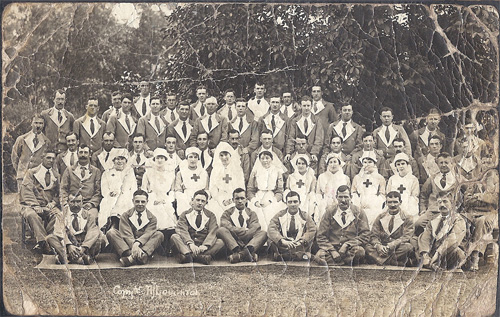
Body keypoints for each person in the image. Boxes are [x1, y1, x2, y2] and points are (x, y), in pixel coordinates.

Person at [19, 148, 63, 254]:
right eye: (48, 158)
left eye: (53, 158)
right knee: (31, 215)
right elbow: (27, 191)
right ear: (42, 158)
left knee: (59, 215)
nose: (51, 161)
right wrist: (35, 205)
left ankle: (48, 239)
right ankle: (43, 243)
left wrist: (53, 203)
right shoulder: (31, 173)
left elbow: (60, 193)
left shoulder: (56, 175)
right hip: (31, 205)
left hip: (48, 206)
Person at [315, 185, 370, 266]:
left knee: (360, 252)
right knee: (320, 256)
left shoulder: (359, 212)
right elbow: (321, 236)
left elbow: (365, 235)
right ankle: (346, 262)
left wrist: (347, 244)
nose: (343, 200)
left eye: (346, 197)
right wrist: (332, 250)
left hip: (350, 249)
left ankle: (337, 262)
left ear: (351, 197)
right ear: (336, 197)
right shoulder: (330, 212)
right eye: (340, 197)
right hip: (332, 248)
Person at [106, 190, 164, 266]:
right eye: (137, 201)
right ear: (133, 201)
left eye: (143, 202)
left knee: (159, 234)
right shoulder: (125, 215)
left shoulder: (152, 218)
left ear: (147, 202)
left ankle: (131, 258)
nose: (140, 204)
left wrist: (137, 243)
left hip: (144, 245)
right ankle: (140, 256)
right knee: (111, 233)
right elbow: (126, 234)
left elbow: (148, 234)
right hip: (128, 246)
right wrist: (134, 246)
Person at [46, 194, 106, 265]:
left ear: (82, 202)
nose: (75, 205)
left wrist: (83, 248)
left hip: (83, 243)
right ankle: (81, 259)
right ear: (68, 202)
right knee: (50, 238)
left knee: (100, 238)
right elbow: (59, 231)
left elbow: (92, 231)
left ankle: (67, 258)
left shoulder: (88, 215)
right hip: (68, 242)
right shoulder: (62, 214)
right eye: (72, 202)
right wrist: (69, 245)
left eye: (78, 202)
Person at [171, 190, 225, 264]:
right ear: (192, 201)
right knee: (175, 237)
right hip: (189, 246)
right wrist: (191, 244)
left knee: (220, 242)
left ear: (206, 203)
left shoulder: (210, 215)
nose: (200, 203)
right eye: (197, 200)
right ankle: (200, 257)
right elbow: (182, 230)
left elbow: (213, 231)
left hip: (203, 246)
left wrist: (205, 245)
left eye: (203, 201)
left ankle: (188, 257)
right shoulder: (184, 214)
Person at [461, 168, 499, 271]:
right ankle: (461, 256)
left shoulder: (496, 186)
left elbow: (495, 200)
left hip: (489, 215)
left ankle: (475, 257)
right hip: (472, 214)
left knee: (481, 222)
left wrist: (478, 196)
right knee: (462, 220)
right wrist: (485, 199)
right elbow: (467, 201)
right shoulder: (474, 185)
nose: (484, 178)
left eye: (488, 176)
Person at [418, 192, 466, 271]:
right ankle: (429, 262)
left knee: (457, 252)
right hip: (433, 252)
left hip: (447, 252)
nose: (442, 205)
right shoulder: (434, 220)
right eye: (439, 202)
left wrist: (437, 255)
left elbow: (452, 240)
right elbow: (426, 237)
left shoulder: (458, 220)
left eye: (445, 201)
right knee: (418, 239)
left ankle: (433, 264)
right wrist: (425, 254)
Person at [141, 148, 178, 251]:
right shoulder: (148, 173)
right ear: (154, 159)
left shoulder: (170, 174)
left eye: (162, 158)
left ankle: (167, 243)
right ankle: (156, 244)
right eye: (158, 158)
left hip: (165, 198)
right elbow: (144, 190)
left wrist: (167, 200)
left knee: (167, 211)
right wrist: (152, 199)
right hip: (152, 198)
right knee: (155, 211)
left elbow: (172, 191)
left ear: (166, 159)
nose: (160, 160)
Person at [365, 191, 415, 266]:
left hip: (397, 247)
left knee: (408, 247)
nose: (392, 205)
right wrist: (378, 246)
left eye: (395, 202)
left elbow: (406, 236)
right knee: (367, 247)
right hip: (382, 248)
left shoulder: (407, 218)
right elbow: (373, 235)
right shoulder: (380, 217)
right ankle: (393, 262)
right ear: (386, 203)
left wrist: (391, 246)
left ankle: (380, 260)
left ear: (400, 202)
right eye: (390, 202)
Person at [216, 188, 266, 263]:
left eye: (242, 198)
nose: (240, 201)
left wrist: (237, 231)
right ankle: (246, 254)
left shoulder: (252, 213)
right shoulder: (227, 213)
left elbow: (255, 228)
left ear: (246, 199)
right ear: (233, 200)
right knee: (221, 230)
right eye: (237, 198)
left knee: (263, 233)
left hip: (248, 241)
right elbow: (225, 225)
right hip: (233, 242)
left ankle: (240, 255)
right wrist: (242, 230)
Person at [268, 191, 317, 261]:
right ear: (286, 203)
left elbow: (312, 229)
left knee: (312, 238)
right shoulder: (280, 215)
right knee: (271, 239)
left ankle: (284, 256)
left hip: (299, 244)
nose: (292, 204)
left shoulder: (305, 215)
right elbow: (271, 228)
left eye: (295, 201)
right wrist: (282, 240)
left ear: (299, 203)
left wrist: (302, 241)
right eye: (290, 202)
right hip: (284, 244)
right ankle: (300, 256)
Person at [60, 144, 102, 225]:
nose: (83, 155)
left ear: (90, 155)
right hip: (71, 204)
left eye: (86, 153)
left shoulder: (96, 171)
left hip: (88, 205)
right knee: (63, 219)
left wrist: (90, 204)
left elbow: (98, 192)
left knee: (92, 217)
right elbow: (63, 189)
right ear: (77, 154)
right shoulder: (69, 170)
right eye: (81, 152)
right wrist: (65, 203)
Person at [98, 149, 136, 231]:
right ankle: (108, 227)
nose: (120, 161)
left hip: (126, 198)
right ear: (113, 160)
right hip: (111, 198)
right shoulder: (107, 173)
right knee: (107, 206)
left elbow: (133, 188)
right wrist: (111, 193)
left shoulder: (129, 172)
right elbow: (104, 190)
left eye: (122, 159)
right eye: (117, 159)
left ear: (126, 160)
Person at [247, 151, 286, 231]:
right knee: (256, 210)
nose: (265, 160)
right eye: (262, 158)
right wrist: (255, 201)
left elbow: (279, 191)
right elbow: (250, 190)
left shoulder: (277, 171)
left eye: (267, 158)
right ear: (259, 160)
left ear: (272, 159)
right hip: (258, 195)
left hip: (272, 195)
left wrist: (271, 200)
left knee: (271, 209)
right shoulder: (255, 172)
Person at [207, 142, 246, 221]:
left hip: (235, 198)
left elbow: (241, 187)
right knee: (215, 211)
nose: (224, 157)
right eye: (221, 155)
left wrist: (233, 199)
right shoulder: (216, 170)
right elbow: (213, 188)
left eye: (226, 155)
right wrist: (221, 200)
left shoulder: (237, 169)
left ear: (230, 155)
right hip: (219, 198)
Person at [12, 115, 50, 190]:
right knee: (22, 199)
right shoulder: (21, 139)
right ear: (31, 123)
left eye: (40, 123)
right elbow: (14, 157)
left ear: (43, 125)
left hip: (38, 177)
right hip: (23, 176)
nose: (38, 125)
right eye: (36, 123)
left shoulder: (47, 142)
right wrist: (20, 170)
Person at [351, 152, 386, 228]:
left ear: (374, 163)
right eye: (365, 162)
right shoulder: (357, 177)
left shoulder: (380, 178)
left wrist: (373, 202)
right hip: (360, 205)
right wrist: (357, 203)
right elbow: (353, 192)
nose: (367, 164)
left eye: (370, 162)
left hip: (374, 206)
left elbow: (382, 194)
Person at [285, 96, 324, 163]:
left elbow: (319, 139)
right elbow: (291, 138)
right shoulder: (295, 120)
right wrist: (289, 153)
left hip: (311, 154)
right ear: (300, 106)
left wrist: (314, 153)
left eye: (308, 105)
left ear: (311, 106)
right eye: (304, 105)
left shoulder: (317, 120)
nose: (306, 108)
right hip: (298, 153)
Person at [315, 155, 351, 224]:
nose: (333, 165)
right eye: (330, 162)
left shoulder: (345, 178)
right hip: (325, 204)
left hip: (340, 203)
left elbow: (348, 194)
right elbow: (318, 193)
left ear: (339, 163)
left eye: (335, 162)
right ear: (327, 164)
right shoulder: (321, 177)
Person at [174, 147, 210, 214]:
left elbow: (207, 189)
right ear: (186, 158)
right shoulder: (181, 173)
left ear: (198, 159)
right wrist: (188, 200)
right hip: (186, 198)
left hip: (201, 198)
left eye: (195, 157)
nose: (193, 160)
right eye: (190, 157)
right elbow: (178, 191)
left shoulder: (203, 173)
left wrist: (201, 200)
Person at [386, 153, 420, 219]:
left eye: (403, 163)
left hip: (409, 205)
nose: (401, 166)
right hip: (394, 204)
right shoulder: (392, 178)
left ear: (407, 165)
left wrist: (408, 211)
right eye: (398, 164)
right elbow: (388, 193)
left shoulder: (413, 179)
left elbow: (414, 196)